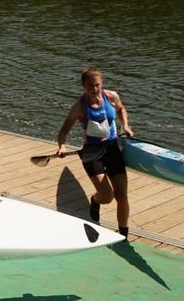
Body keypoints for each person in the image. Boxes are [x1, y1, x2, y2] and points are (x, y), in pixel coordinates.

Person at [55, 66, 134, 238]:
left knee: (122, 197)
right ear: (83, 86)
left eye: (97, 85)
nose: (94, 89)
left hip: (112, 150)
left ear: (101, 84)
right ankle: (95, 200)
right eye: (90, 86)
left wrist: (125, 125)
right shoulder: (79, 107)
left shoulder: (112, 96)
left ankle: (123, 235)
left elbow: (121, 110)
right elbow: (63, 132)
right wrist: (62, 146)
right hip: (91, 153)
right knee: (107, 197)